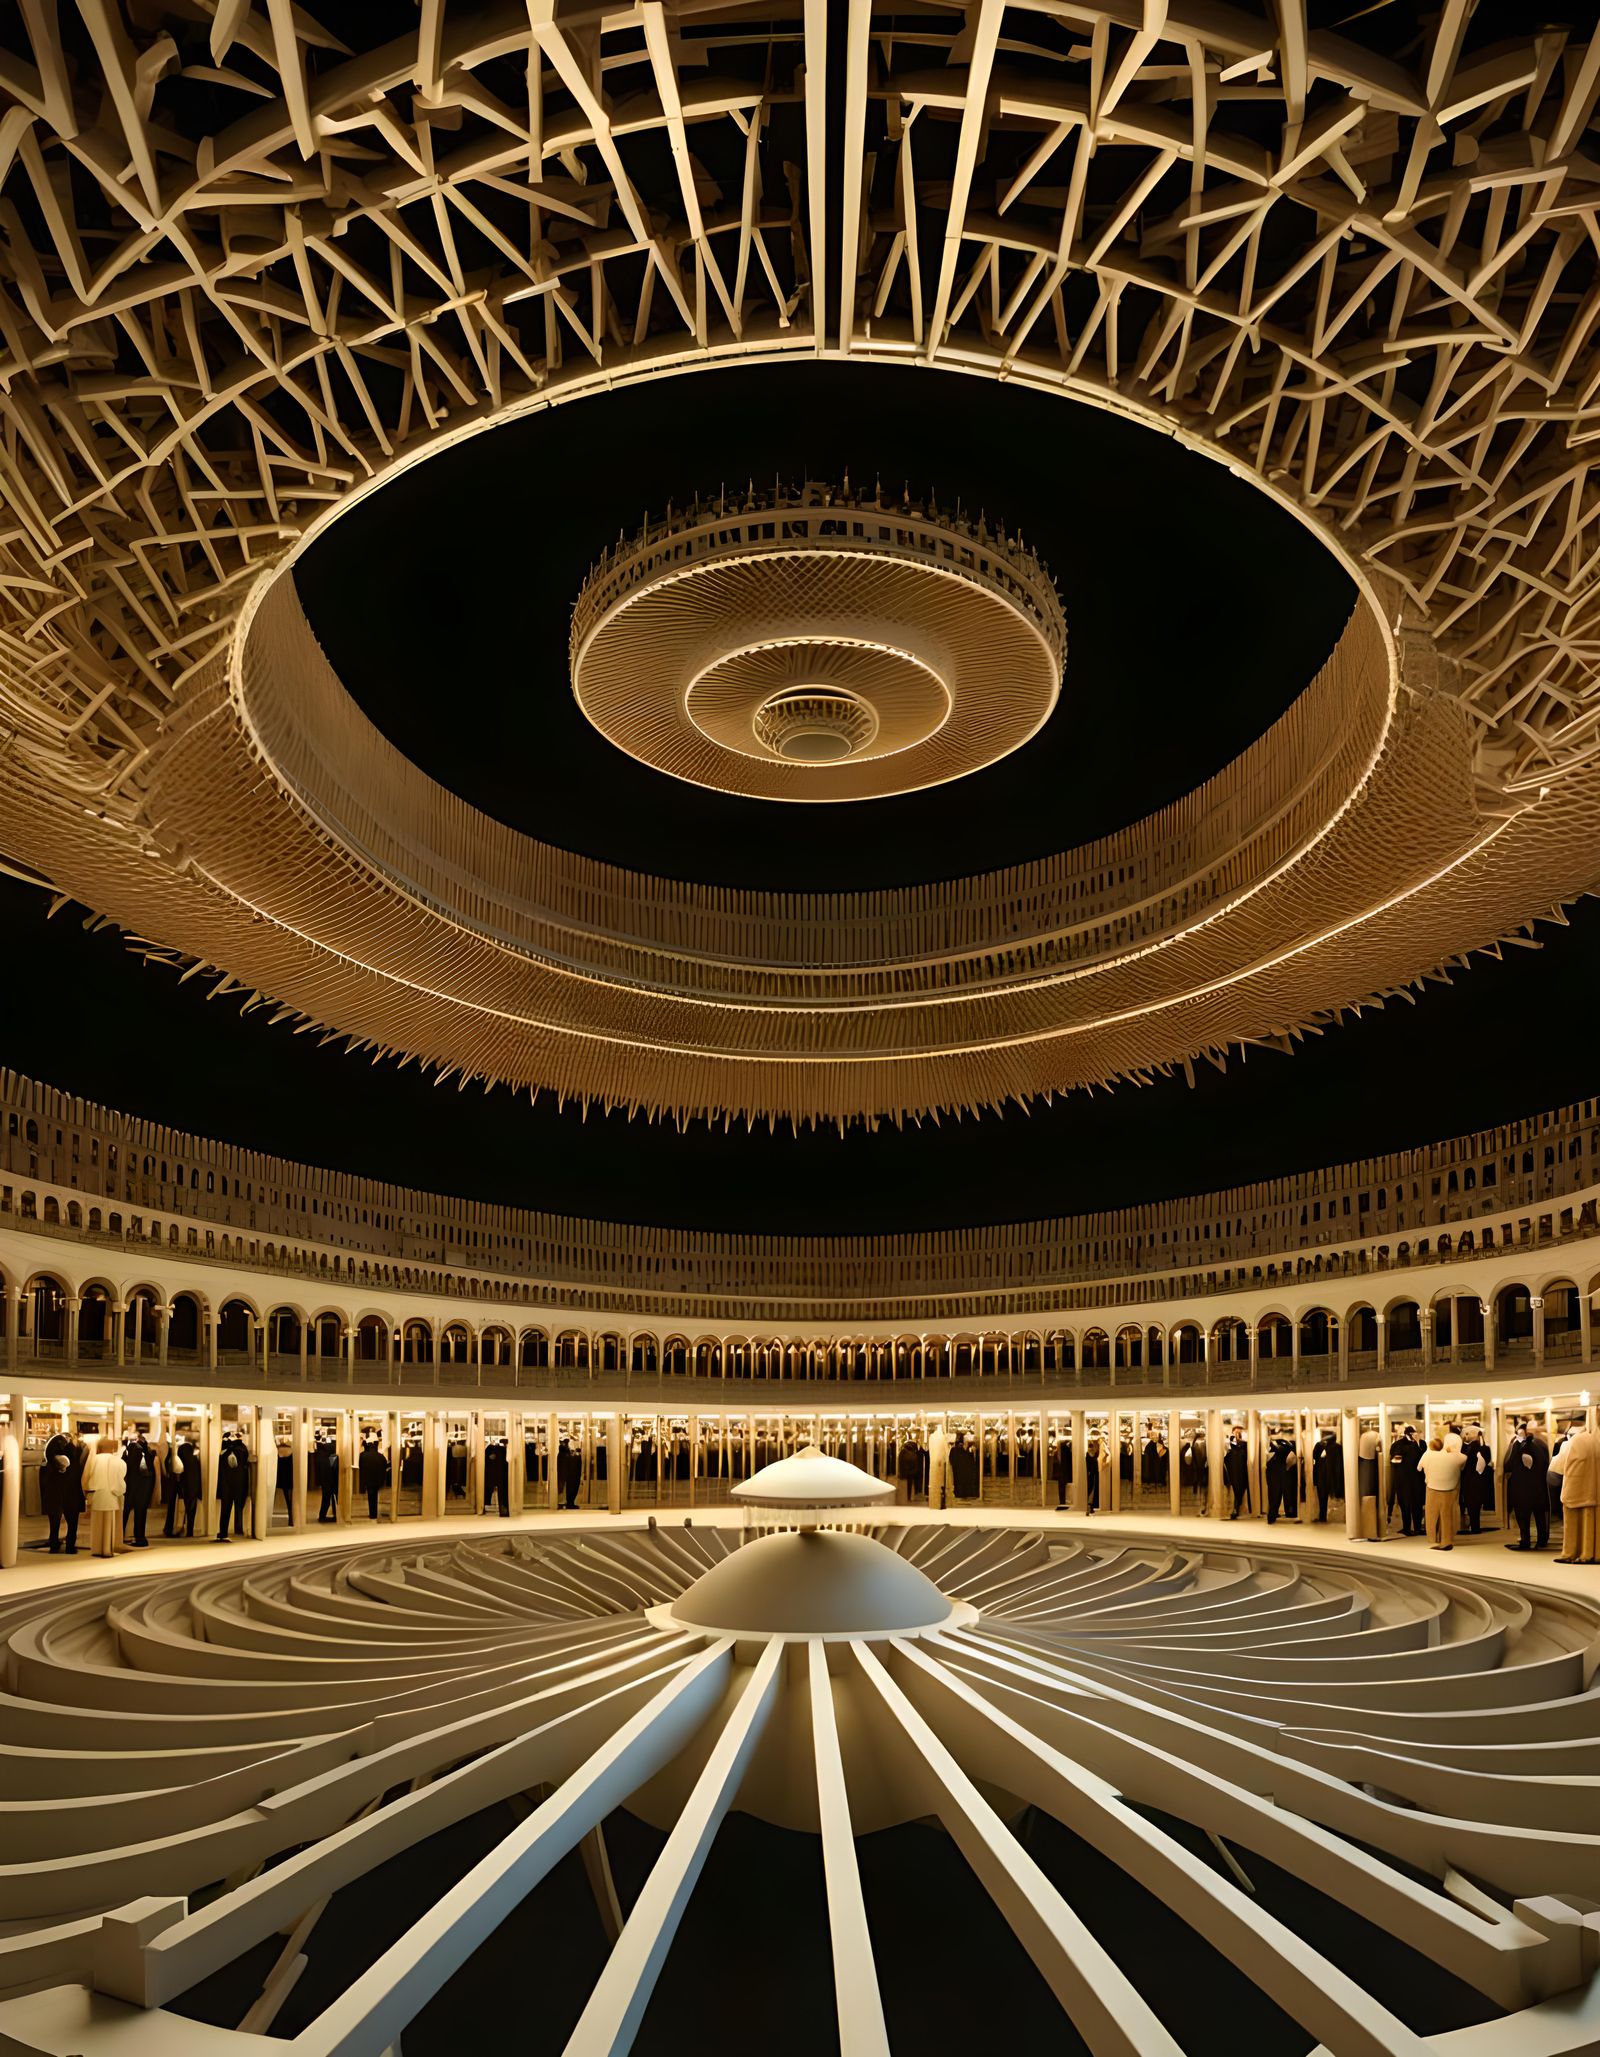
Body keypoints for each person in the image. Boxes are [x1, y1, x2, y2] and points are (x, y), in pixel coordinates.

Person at [1552, 1422, 1597, 1565]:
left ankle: (1571, 1553)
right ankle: (1591, 1553)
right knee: (1592, 1524)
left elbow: (1557, 1467)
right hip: (1594, 1489)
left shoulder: (1572, 1442)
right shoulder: (1596, 1440)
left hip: (1575, 1488)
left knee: (1572, 1524)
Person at [1503, 1420, 1550, 1551]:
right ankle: (1542, 1540)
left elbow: (1508, 1465)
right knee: (1540, 1515)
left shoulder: (1518, 1446)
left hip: (1522, 1489)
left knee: (1523, 1517)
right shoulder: (1542, 1445)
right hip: (1539, 1487)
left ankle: (1525, 1541)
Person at [39, 1426, 85, 1554]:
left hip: (54, 1494)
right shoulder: (74, 1459)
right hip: (72, 1493)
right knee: (72, 1522)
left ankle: (54, 1545)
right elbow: (79, 1474)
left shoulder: (49, 1466)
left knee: (54, 1522)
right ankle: (70, 1546)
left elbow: (43, 1482)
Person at [82, 1434, 125, 1558]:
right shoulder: (117, 1460)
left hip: (97, 1494)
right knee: (109, 1523)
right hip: (111, 1495)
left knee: (97, 1523)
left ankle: (97, 1548)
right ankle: (107, 1549)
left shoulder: (94, 1459)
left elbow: (88, 1475)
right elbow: (120, 1476)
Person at [1419, 1435, 1466, 1550]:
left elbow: (1419, 1468)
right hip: (1450, 1489)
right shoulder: (1459, 1457)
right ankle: (1447, 1540)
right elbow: (1462, 1459)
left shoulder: (1429, 1455)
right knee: (1447, 1516)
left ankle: (1435, 1538)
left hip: (1432, 1488)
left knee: (1432, 1515)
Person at [121, 1429, 157, 1547]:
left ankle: (119, 1536)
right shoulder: (150, 1454)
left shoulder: (130, 1452)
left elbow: (124, 1469)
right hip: (144, 1489)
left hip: (130, 1488)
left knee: (124, 1513)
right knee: (140, 1514)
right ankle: (140, 1538)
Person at [215, 1430, 251, 1540]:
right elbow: (245, 1463)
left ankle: (223, 1531)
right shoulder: (242, 1448)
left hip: (226, 1483)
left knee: (225, 1508)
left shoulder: (222, 1449)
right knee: (239, 1506)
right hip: (239, 1482)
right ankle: (238, 1529)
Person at [1388, 1425, 1422, 1537]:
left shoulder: (1420, 1444)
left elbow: (1424, 1457)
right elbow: (1395, 1460)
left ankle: (1415, 1527)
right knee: (1406, 1504)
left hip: (1412, 1479)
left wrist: (1416, 1445)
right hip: (1404, 1479)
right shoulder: (1398, 1445)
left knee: (1414, 1504)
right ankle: (1408, 1528)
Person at [1458, 1429, 1490, 1535]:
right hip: (1478, 1481)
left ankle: (1472, 1526)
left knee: (1471, 1504)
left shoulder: (1467, 1448)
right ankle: (1475, 1526)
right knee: (1475, 1505)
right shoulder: (1482, 1448)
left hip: (1469, 1480)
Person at [1264, 1435, 1298, 1523]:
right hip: (1281, 1475)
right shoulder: (1287, 1449)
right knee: (1277, 1495)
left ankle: (1273, 1515)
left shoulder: (1273, 1452)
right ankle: (1275, 1514)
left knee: (1274, 1496)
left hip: (1275, 1476)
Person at [1310, 1430, 1341, 1522]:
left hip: (1322, 1475)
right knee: (1328, 1496)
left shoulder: (1320, 1446)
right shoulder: (1337, 1447)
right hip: (1332, 1475)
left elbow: (1314, 1456)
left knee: (1322, 1496)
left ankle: (1322, 1516)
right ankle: (1324, 1516)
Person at [358, 1435, 389, 1520]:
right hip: (377, 1480)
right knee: (374, 1496)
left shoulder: (362, 1456)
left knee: (371, 1496)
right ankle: (374, 1514)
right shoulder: (381, 1456)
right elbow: (385, 1467)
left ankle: (372, 1514)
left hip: (368, 1480)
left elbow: (361, 1469)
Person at [1222, 1429, 1249, 1518]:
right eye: (1235, 1431)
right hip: (1233, 1471)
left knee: (1240, 1489)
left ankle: (1236, 1508)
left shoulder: (1245, 1445)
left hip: (1242, 1471)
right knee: (1236, 1489)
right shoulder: (1229, 1445)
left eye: (1239, 1431)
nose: (1237, 1433)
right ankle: (1235, 1509)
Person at [313, 1433, 339, 1522]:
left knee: (326, 1500)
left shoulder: (321, 1455)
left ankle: (322, 1516)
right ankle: (334, 1515)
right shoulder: (332, 1456)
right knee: (334, 1499)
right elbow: (334, 1468)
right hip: (332, 1481)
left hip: (325, 1481)